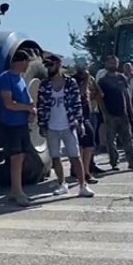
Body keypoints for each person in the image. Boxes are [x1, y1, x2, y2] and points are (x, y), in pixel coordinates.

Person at [37, 54, 94, 197]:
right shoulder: (44, 85)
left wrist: (79, 122)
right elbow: (41, 106)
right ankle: (62, 183)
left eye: (50, 64)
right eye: (46, 65)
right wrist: (42, 125)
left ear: (58, 64)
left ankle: (83, 185)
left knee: (75, 156)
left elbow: (77, 104)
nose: (48, 67)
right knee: (55, 157)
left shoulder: (70, 83)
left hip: (69, 125)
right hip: (51, 126)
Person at [0, 50, 37, 207]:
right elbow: (9, 104)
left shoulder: (20, 79)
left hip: (21, 124)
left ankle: (16, 190)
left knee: (20, 158)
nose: (28, 65)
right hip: (11, 123)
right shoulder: (5, 78)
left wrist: (32, 111)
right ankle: (17, 191)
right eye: (27, 62)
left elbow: (29, 101)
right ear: (20, 62)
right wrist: (27, 109)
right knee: (15, 158)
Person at [97, 55, 133, 172]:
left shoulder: (122, 78)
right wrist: (104, 113)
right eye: (111, 63)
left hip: (123, 113)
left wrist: (130, 110)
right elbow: (99, 99)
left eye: (115, 63)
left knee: (128, 139)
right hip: (110, 114)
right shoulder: (102, 81)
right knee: (111, 141)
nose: (113, 65)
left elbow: (126, 95)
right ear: (106, 64)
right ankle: (114, 163)